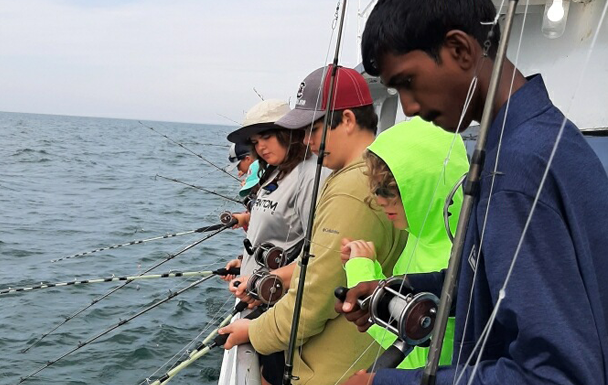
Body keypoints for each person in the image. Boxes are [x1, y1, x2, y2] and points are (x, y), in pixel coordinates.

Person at [337, 0, 608, 384]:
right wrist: (404, 288)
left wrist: (381, 383)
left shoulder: (515, 169)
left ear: (460, 50)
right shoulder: (546, 137)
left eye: (407, 82)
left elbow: (557, 376)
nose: (410, 107)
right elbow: (497, 284)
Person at [219, 65, 408, 385]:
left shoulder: (352, 188)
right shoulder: (359, 173)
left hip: (337, 372)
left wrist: (255, 331)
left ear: (347, 120)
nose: (305, 140)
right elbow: (319, 264)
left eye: (313, 129)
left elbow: (316, 294)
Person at [341, 117, 469, 369]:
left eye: (388, 190)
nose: (379, 200)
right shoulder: (421, 232)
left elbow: (411, 346)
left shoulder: (453, 259)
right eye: (375, 189)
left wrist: (361, 269)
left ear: (426, 188)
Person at [223, 98, 329, 385]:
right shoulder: (275, 172)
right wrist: (244, 264)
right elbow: (274, 232)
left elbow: (318, 251)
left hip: (282, 306)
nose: (261, 147)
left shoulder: (309, 176)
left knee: (273, 374)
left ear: (290, 132)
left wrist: (267, 280)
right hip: (258, 295)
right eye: (256, 141)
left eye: (267, 136)